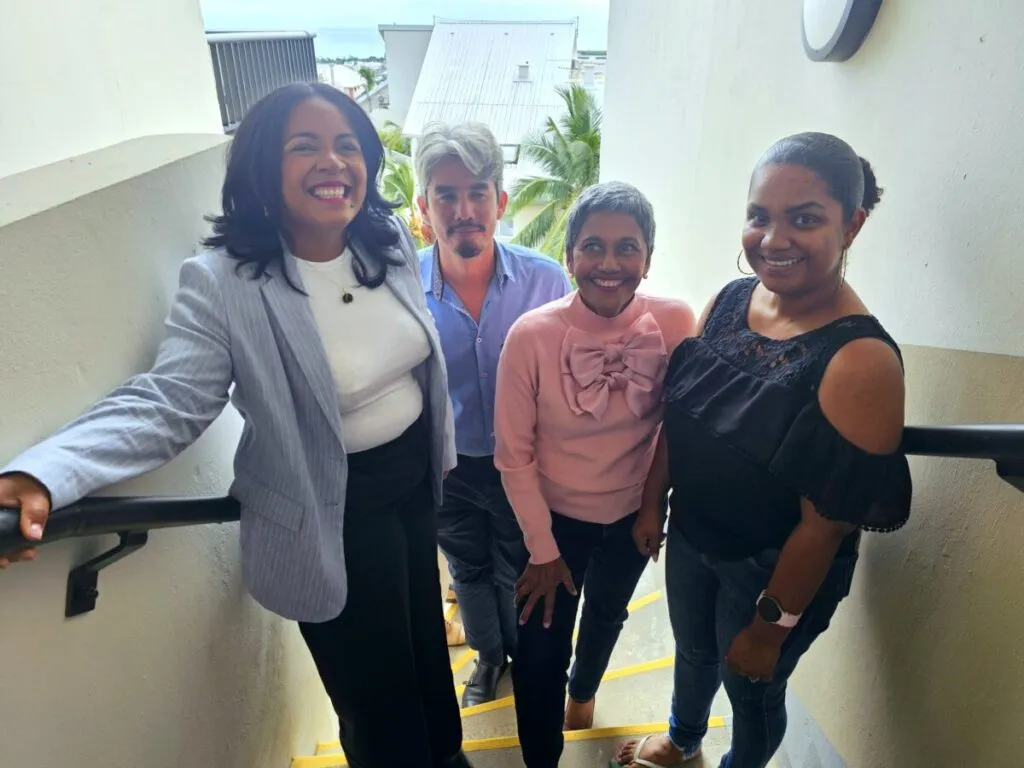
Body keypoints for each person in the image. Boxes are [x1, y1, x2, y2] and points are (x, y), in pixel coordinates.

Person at [0, 82, 472, 768]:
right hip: (329, 515)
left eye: (347, 145)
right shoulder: (225, 282)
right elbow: (170, 400)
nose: (333, 162)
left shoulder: (386, 239)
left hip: (413, 488)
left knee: (428, 655)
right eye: (304, 146)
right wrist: (45, 473)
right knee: (378, 701)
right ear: (262, 168)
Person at [614, 132, 912, 768]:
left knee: (751, 687)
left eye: (804, 219)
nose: (773, 240)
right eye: (760, 216)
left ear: (852, 225)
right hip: (691, 536)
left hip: (769, 571)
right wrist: (652, 502)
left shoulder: (861, 360)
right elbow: (683, 415)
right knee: (693, 653)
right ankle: (683, 739)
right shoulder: (728, 300)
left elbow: (824, 527)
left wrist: (771, 627)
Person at [494, 181, 696, 768]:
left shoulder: (675, 320)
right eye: (593, 246)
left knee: (606, 615)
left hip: (632, 514)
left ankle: (582, 697)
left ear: (648, 258)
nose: (609, 263)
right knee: (538, 653)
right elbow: (513, 454)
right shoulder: (531, 335)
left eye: (627, 247)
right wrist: (541, 549)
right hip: (550, 522)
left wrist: (653, 504)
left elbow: (678, 423)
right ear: (569, 256)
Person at [416, 122, 573, 705]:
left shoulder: (545, 281)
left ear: (501, 202)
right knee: (467, 570)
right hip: (447, 469)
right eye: (446, 195)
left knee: (519, 567)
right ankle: (488, 658)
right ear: (424, 207)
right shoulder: (401, 287)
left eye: (477, 192)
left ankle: (526, 659)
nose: (463, 210)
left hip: (523, 468)